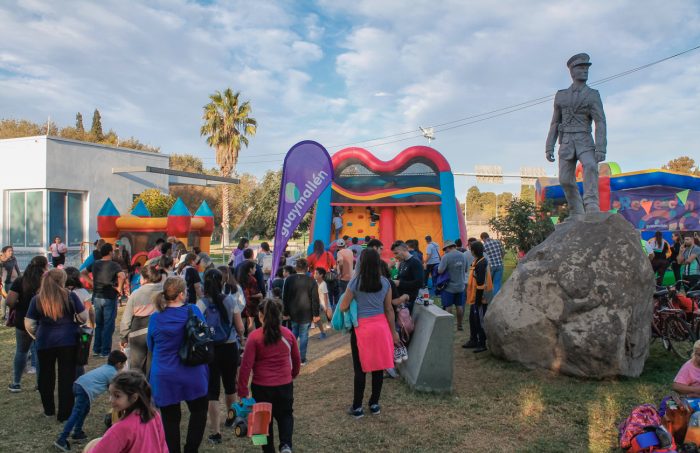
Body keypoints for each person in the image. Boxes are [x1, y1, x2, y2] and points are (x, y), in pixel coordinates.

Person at [148, 277, 209, 453]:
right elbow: (203, 337)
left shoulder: (155, 318)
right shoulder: (193, 311)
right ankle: (191, 449)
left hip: (165, 373)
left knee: (170, 418)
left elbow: (151, 346)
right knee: (198, 412)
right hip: (192, 371)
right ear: (181, 294)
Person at [339, 248, 399, 418]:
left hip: (361, 329)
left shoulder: (355, 282)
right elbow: (389, 309)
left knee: (360, 370)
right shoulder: (385, 282)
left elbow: (343, 306)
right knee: (379, 368)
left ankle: (357, 407)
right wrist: (393, 332)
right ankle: (374, 404)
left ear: (362, 263)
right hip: (381, 327)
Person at [545, 53, 607, 215]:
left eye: (586, 68)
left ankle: (592, 203)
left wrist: (601, 148)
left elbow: (600, 121)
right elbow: (554, 122)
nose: (585, 71)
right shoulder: (561, 95)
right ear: (572, 71)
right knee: (565, 179)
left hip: (584, 139)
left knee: (591, 166)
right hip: (566, 141)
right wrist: (549, 146)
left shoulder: (593, 95)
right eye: (581, 68)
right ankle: (576, 210)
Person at [25, 268, 89, 421]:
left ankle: (49, 410)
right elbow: (83, 317)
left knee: (46, 376)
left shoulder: (37, 299)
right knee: (67, 377)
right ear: (62, 280)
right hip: (68, 340)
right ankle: (65, 413)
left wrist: (36, 334)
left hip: (45, 340)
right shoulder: (70, 296)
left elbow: (29, 323)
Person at [238, 299, 300, 453]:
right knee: (286, 415)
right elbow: (296, 359)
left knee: (262, 422)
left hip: (262, 387)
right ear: (280, 315)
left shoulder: (254, 337)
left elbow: (246, 366)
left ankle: (267, 450)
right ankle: (286, 445)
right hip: (284, 384)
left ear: (260, 315)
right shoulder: (288, 334)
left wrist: (243, 391)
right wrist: (293, 374)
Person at [196, 269, 245, 444]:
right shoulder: (231, 300)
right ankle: (231, 418)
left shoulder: (201, 304)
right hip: (229, 346)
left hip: (210, 350)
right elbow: (240, 327)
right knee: (230, 386)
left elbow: (197, 329)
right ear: (222, 282)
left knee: (212, 392)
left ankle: (215, 433)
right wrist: (241, 339)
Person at [53, 350, 128, 451]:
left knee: (85, 409)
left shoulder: (105, 367)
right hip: (85, 390)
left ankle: (77, 433)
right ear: (119, 364)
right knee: (77, 413)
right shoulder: (113, 373)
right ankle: (61, 439)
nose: (123, 366)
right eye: (123, 364)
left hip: (78, 384)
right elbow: (115, 390)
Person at [82, 370, 169, 453]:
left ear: (134, 397)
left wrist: (90, 447)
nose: (110, 400)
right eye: (110, 394)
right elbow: (163, 446)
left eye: (117, 395)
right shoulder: (154, 414)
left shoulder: (120, 429)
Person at [6, 255, 47, 392]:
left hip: (22, 320)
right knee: (40, 352)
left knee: (21, 351)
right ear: (44, 266)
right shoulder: (46, 282)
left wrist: (20, 305)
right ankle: (40, 384)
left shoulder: (20, 281)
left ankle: (16, 383)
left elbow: (10, 301)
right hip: (42, 321)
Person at [119, 264, 163, 374]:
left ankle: (138, 389)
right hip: (158, 331)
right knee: (153, 365)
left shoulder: (136, 294)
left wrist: (123, 337)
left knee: (137, 367)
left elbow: (126, 319)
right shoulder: (163, 292)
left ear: (145, 278)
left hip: (138, 334)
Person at [88, 243, 126, 357]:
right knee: (108, 325)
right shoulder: (114, 265)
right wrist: (119, 288)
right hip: (109, 296)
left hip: (97, 296)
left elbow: (83, 272)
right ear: (110, 252)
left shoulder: (95, 264)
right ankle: (105, 351)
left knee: (99, 324)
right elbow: (122, 276)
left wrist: (92, 283)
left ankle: (96, 349)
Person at [282, 259, 318, 365]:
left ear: (296, 267)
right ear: (306, 268)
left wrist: (285, 312)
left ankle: (288, 355)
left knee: (293, 333)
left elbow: (285, 297)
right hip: (306, 312)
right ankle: (302, 358)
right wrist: (316, 314)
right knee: (303, 335)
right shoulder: (311, 280)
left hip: (293, 311)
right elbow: (315, 299)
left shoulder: (289, 279)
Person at [464, 241, 491, 353]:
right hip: (474, 297)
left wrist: (479, 301)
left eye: (471, 249)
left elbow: (480, 284)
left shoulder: (481, 263)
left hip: (479, 298)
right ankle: (473, 339)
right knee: (472, 319)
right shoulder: (477, 261)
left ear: (473, 251)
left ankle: (482, 343)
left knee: (479, 320)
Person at [437, 240, 468, 331]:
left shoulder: (446, 257)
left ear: (449, 247)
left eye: (445, 249)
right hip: (461, 286)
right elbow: (466, 269)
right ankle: (460, 325)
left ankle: (448, 326)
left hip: (449, 287)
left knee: (448, 306)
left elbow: (440, 271)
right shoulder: (463, 255)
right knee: (459, 306)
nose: (445, 251)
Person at [390, 241, 424, 312]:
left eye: (396, 253)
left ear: (404, 249)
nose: (395, 256)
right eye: (394, 253)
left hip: (409, 300)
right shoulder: (402, 262)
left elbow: (419, 283)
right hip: (400, 299)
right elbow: (400, 278)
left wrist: (400, 283)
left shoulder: (415, 262)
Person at [239, 260, 264, 332]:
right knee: (251, 323)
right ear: (250, 269)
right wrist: (260, 295)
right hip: (251, 304)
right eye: (255, 268)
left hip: (243, 303)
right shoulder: (252, 279)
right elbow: (252, 294)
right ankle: (250, 339)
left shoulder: (241, 278)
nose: (256, 270)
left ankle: (241, 338)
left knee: (242, 322)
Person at [1, 245, 21, 320]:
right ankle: (3, 314)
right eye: (9, 251)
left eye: (12, 250)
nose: (11, 252)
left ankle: (11, 315)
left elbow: (16, 267)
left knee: (13, 297)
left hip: (14, 280)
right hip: (5, 281)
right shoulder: (2, 261)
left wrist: (20, 277)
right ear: (4, 252)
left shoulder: (13, 258)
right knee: (4, 297)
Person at [312, 267, 332, 339]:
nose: (314, 275)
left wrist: (326, 306)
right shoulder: (315, 282)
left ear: (321, 275)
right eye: (314, 273)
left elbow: (325, 296)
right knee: (319, 318)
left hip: (324, 302)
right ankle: (323, 331)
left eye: (316, 273)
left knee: (329, 315)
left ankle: (334, 322)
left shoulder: (323, 284)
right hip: (318, 303)